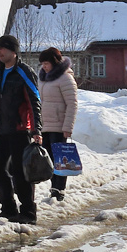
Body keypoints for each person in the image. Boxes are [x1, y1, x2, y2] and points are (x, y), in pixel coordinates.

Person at [0, 34, 42, 223]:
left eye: (3, 48)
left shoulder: (24, 72)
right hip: (1, 131)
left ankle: (28, 213)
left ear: (14, 52)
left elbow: (35, 102)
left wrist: (36, 130)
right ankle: (8, 209)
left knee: (20, 174)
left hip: (19, 131)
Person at [38, 45, 78, 201]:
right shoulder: (42, 78)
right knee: (48, 159)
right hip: (45, 125)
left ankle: (58, 190)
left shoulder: (65, 78)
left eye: (46, 63)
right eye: (42, 64)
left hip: (59, 126)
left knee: (60, 159)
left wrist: (68, 127)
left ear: (54, 62)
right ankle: (53, 187)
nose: (44, 66)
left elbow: (72, 104)